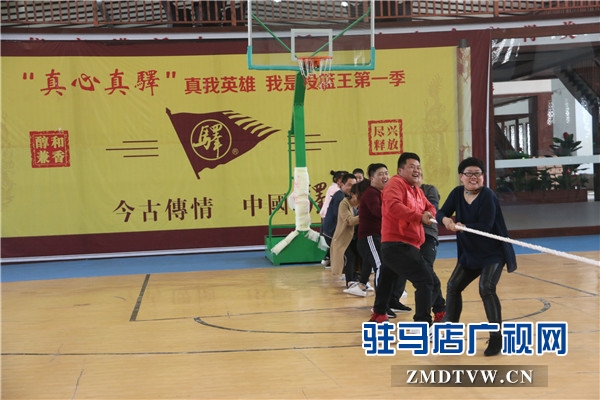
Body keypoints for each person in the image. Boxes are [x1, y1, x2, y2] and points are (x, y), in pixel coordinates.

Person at [436, 157, 517, 356]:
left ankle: (496, 338)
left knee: (486, 288)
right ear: (461, 177)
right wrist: (445, 219)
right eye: (469, 174)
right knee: (453, 286)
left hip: (493, 253)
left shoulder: (488, 195)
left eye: (478, 173)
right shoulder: (457, 193)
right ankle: (451, 334)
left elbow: (486, 226)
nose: (474, 177)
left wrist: (464, 226)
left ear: (483, 176)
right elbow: (440, 213)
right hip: (470, 253)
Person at [369, 153, 436, 324]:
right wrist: (420, 217)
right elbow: (394, 206)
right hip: (398, 244)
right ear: (400, 170)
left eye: (418, 167)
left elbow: (430, 206)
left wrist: (429, 213)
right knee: (425, 280)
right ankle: (422, 323)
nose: (416, 170)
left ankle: (379, 314)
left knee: (387, 278)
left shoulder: (416, 190)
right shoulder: (396, 184)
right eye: (412, 166)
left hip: (408, 244)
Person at [348, 164, 411, 314]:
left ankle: (393, 300)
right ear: (372, 178)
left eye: (386, 173)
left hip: (383, 238)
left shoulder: (383, 193)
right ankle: (380, 306)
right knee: (382, 267)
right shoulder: (371, 193)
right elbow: (379, 212)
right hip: (370, 238)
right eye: (380, 174)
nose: (385, 176)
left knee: (398, 266)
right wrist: (397, 209)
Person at [416, 171, 446, 323]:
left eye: (418, 173)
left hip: (427, 235)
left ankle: (431, 314)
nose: (415, 175)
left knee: (426, 270)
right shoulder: (402, 192)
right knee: (423, 273)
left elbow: (432, 209)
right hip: (410, 237)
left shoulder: (429, 189)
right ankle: (440, 308)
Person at [322, 173, 357, 267]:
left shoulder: (347, 196)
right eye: (349, 185)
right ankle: (346, 275)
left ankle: (351, 275)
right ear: (341, 184)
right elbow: (341, 217)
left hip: (337, 232)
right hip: (333, 233)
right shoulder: (340, 197)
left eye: (354, 185)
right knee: (348, 256)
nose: (352, 188)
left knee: (351, 255)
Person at [330, 183, 360, 288]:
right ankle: (350, 281)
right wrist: (365, 216)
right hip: (344, 238)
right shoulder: (344, 203)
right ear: (352, 194)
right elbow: (349, 220)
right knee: (350, 257)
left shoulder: (362, 204)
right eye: (359, 195)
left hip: (356, 238)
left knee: (361, 257)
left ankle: (360, 280)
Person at [320, 170, 348, 267]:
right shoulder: (336, 190)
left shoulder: (336, 189)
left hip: (329, 216)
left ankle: (329, 259)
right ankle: (333, 261)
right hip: (329, 217)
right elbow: (337, 210)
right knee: (335, 240)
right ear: (338, 181)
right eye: (343, 180)